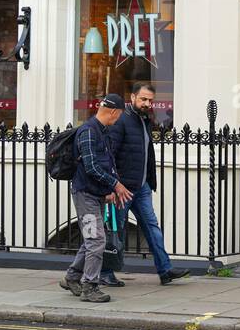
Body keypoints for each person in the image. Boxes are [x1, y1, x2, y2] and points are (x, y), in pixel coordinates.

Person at [98, 83, 189, 287]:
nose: (147, 103)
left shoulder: (144, 120)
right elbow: (109, 154)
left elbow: (146, 154)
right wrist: (113, 186)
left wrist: (149, 180)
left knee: (152, 227)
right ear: (132, 97)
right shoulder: (121, 120)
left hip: (141, 187)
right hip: (122, 188)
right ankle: (105, 272)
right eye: (143, 99)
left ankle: (165, 270)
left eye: (150, 100)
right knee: (115, 230)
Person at [60, 94, 132, 303]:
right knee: (96, 240)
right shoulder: (89, 132)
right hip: (85, 195)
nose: (117, 120)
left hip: (96, 194)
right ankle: (89, 286)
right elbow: (91, 167)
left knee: (91, 240)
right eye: (118, 116)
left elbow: (106, 164)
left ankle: (72, 277)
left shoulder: (102, 132)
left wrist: (108, 190)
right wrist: (116, 185)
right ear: (113, 112)